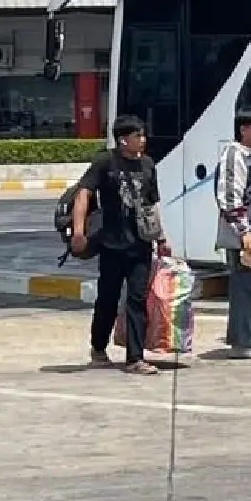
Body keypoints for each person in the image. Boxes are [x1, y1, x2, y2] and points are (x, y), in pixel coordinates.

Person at [70, 115, 165, 375]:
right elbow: (83, 194)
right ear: (123, 139)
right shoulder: (105, 162)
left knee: (137, 300)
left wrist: (162, 238)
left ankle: (135, 357)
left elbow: (152, 203)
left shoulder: (147, 164)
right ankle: (98, 346)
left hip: (141, 245)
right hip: (112, 244)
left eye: (143, 135)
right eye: (138, 136)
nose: (143, 140)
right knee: (108, 299)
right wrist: (79, 232)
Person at [215, 105, 251, 359]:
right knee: (245, 287)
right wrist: (244, 232)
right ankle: (243, 341)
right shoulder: (234, 154)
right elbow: (230, 197)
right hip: (244, 234)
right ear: (243, 129)